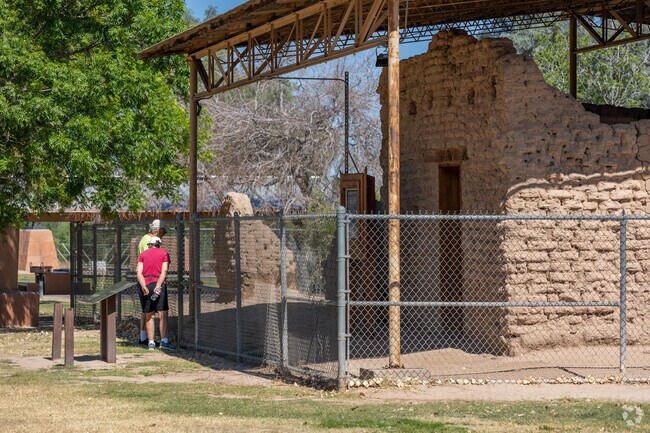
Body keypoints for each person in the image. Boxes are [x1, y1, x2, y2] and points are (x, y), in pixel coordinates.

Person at [136, 236, 175, 350]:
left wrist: (143, 286)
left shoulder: (143, 254)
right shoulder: (164, 254)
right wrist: (158, 286)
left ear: (149, 245)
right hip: (159, 283)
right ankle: (164, 341)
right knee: (163, 314)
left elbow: (139, 272)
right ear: (159, 244)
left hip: (146, 284)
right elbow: (164, 271)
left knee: (149, 314)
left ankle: (151, 342)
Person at [137, 219, 167, 347]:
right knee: (152, 312)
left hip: (145, 281)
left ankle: (146, 338)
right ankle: (147, 338)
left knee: (147, 311)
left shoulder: (145, 240)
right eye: (164, 231)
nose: (164, 234)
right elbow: (149, 261)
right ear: (158, 230)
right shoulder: (147, 242)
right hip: (151, 280)